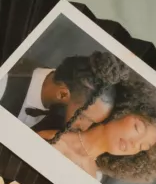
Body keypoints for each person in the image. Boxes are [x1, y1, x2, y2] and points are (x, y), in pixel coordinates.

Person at [38, 77, 156, 184]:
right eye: (138, 128)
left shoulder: (94, 180)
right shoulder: (49, 122)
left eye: (142, 147)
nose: (134, 144)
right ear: (124, 110)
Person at [0, 52, 129, 131]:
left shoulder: (54, 123)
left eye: (91, 123)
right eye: (83, 117)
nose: (84, 128)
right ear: (63, 94)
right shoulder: (4, 78)